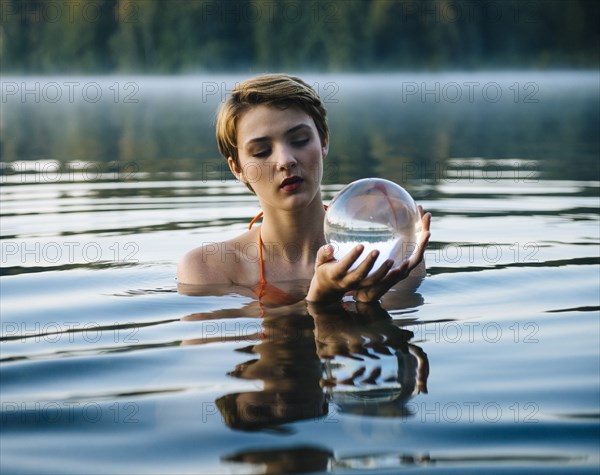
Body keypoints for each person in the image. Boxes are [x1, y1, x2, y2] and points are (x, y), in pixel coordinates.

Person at [177, 74, 431, 304]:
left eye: (299, 140)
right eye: (262, 151)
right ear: (237, 169)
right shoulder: (208, 270)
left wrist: (367, 307)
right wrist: (318, 301)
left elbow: (392, 349)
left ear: (324, 140)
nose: (286, 160)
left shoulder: (390, 255)